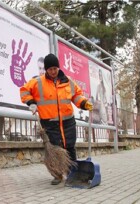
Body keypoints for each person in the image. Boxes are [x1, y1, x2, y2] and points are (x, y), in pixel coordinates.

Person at [20, 53, 93, 185]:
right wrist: (31, 102)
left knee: (70, 146)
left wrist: (83, 103)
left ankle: (72, 173)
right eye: (50, 69)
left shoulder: (68, 81)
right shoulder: (37, 82)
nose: (53, 71)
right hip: (49, 122)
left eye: (55, 68)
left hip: (68, 121)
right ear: (46, 70)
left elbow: (76, 95)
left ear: (58, 68)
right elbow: (24, 91)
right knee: (54, 149)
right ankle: (57, 174)